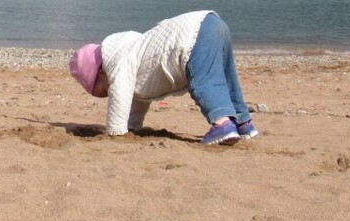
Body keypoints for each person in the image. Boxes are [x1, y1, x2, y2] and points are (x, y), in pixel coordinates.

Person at [68, 10, 258, 145]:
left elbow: (120, 95)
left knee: (203, 81)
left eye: (103, 89)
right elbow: (137, 100)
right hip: (213, 23)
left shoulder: (118, 61)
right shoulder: (133, 51)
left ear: (100, 71)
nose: (109, 92)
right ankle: (243, 123)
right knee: (225, 76)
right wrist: (132, 127)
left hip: (192, 36)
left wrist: (116, 130)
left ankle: (223, 124)